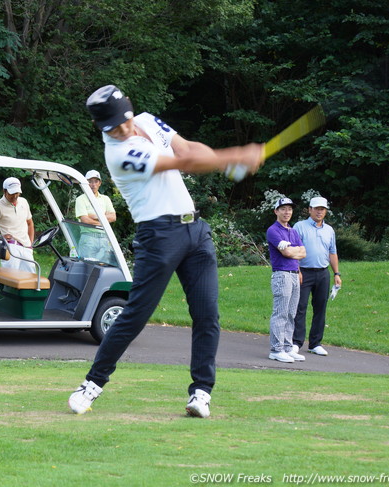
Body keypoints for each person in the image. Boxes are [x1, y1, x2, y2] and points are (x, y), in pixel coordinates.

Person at [68, 84, 263, 418]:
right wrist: (234, 156)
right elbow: (184, 161)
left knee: (207, 315)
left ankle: (201, 393)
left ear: (130, 109)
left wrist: (220, 157)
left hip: (196, 232)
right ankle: (92, 383)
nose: (123, 129)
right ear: (102, 128)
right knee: (135, 316)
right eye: (113, 127)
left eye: (124, 120)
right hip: (158, 236)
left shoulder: (147, 121)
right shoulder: (118, 155)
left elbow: (188, 147)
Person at [293, 196, 342, 356]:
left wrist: (336, 273)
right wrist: (297, 270)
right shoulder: (300, 226)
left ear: (326, 211)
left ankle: (315, 343)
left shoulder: (329, 230)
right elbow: (294, 251)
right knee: (300, 307)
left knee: (320, 308)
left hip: (323, 273)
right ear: (310, 210)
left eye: (322, 209)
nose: (319, 212)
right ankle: (296, 342)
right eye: (316, 209)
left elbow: (332, 252)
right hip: (304, 272)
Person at [266, 197, 307, 363]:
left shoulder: (293, 231)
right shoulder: (273, 230)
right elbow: (287, 253)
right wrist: (292, 250)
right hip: (282, 274)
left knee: (291, 313)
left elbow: (303, 252)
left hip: (294, 273)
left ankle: (288, 348)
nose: (287, 212)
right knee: (280, 312)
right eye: (283, 209)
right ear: (276, 211)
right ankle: (276, 349)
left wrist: (293, 250)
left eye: (289, 209)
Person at [0, 177, 36, 272]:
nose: (15, 196)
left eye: (17, 193)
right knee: (10, 278)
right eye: (12, 193)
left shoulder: (23, 202)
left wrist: (30, 244)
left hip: (26, 247)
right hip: (10, 247)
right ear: (4, 191)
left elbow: (30, 223)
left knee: (30, 279)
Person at [74, 169, 117, 261]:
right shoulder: (80, 199)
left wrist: (95, 216)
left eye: (95, 181)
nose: (93, 184)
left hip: (105, 237)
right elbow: (85, 220)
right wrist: (104, 221)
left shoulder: (105, 199)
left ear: (99, 183)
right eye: (90, 182)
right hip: (88, 237)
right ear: (85, 183)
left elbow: (113, 217)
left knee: (104, 268)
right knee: (86, 267)